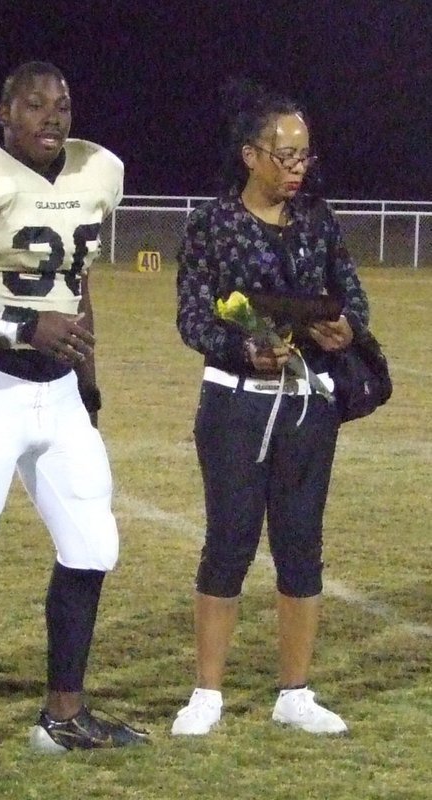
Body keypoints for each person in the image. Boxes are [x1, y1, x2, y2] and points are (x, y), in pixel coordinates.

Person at [0, 60, 148, 770]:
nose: (52, 116)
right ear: (4, 111)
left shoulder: (93, 175)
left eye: (63, 105)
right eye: (36, 104)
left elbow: (77, 290)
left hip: (60, 393)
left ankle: (64, 714)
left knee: (92, 545)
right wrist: (20, 326)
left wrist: (90, 386)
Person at [172, 78, 370, 736]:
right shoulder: (213, 225)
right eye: (285, 156)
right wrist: (240, 346)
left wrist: (347, 329)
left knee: (301, 548)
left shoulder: (319, 221)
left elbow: (351, 296)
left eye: (305, 156)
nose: (297, 169)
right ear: (250, 154)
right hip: (234, 407)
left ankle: (295, 693)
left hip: (308, 409)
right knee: (227, 545)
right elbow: (194, 315)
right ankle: (207, 694)